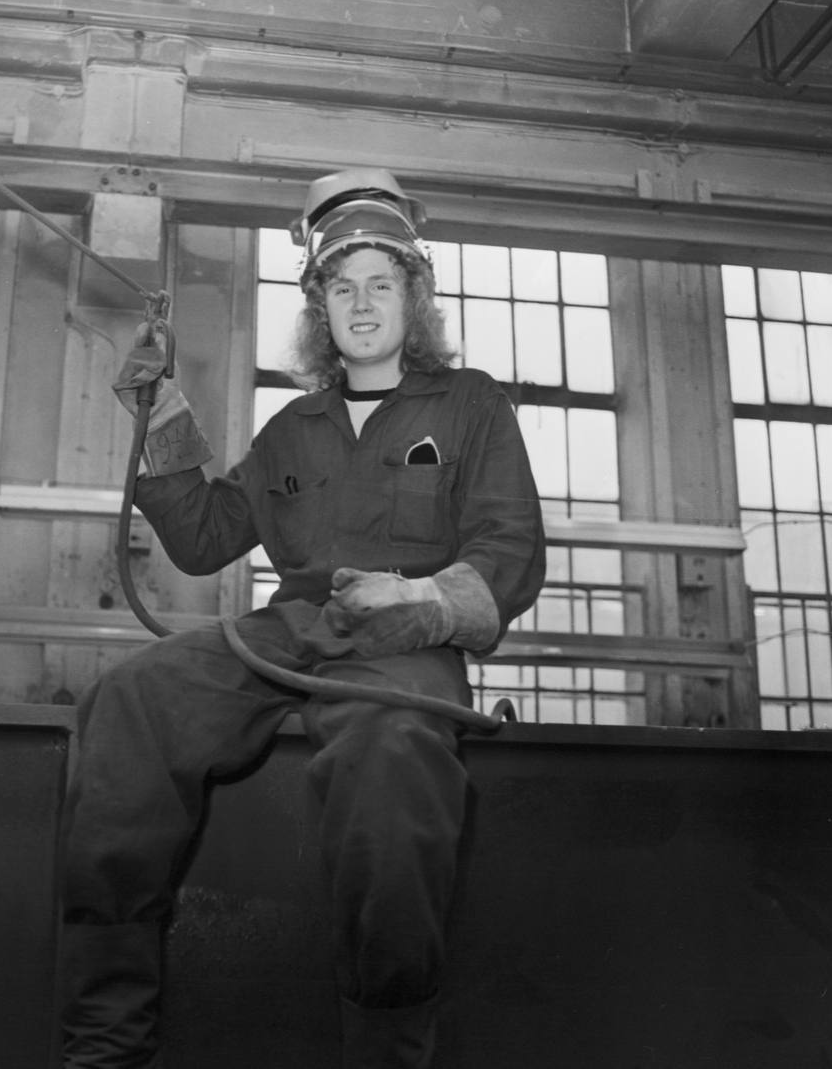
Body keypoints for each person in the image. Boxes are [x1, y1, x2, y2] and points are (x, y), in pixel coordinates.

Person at [61, 169, 545, 1068]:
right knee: (128, 700)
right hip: (287, 634)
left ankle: (386, 1053)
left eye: (380, 283)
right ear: (320, 304)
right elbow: (206, 538)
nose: (361, 303)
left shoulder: (472, 404)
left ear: (414, 295)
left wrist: (421, 598)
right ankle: (105, 1039)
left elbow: (509, 546)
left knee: (394, 757)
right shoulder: (293, 426)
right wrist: (159, 414)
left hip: (403, 638)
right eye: (341, 286)